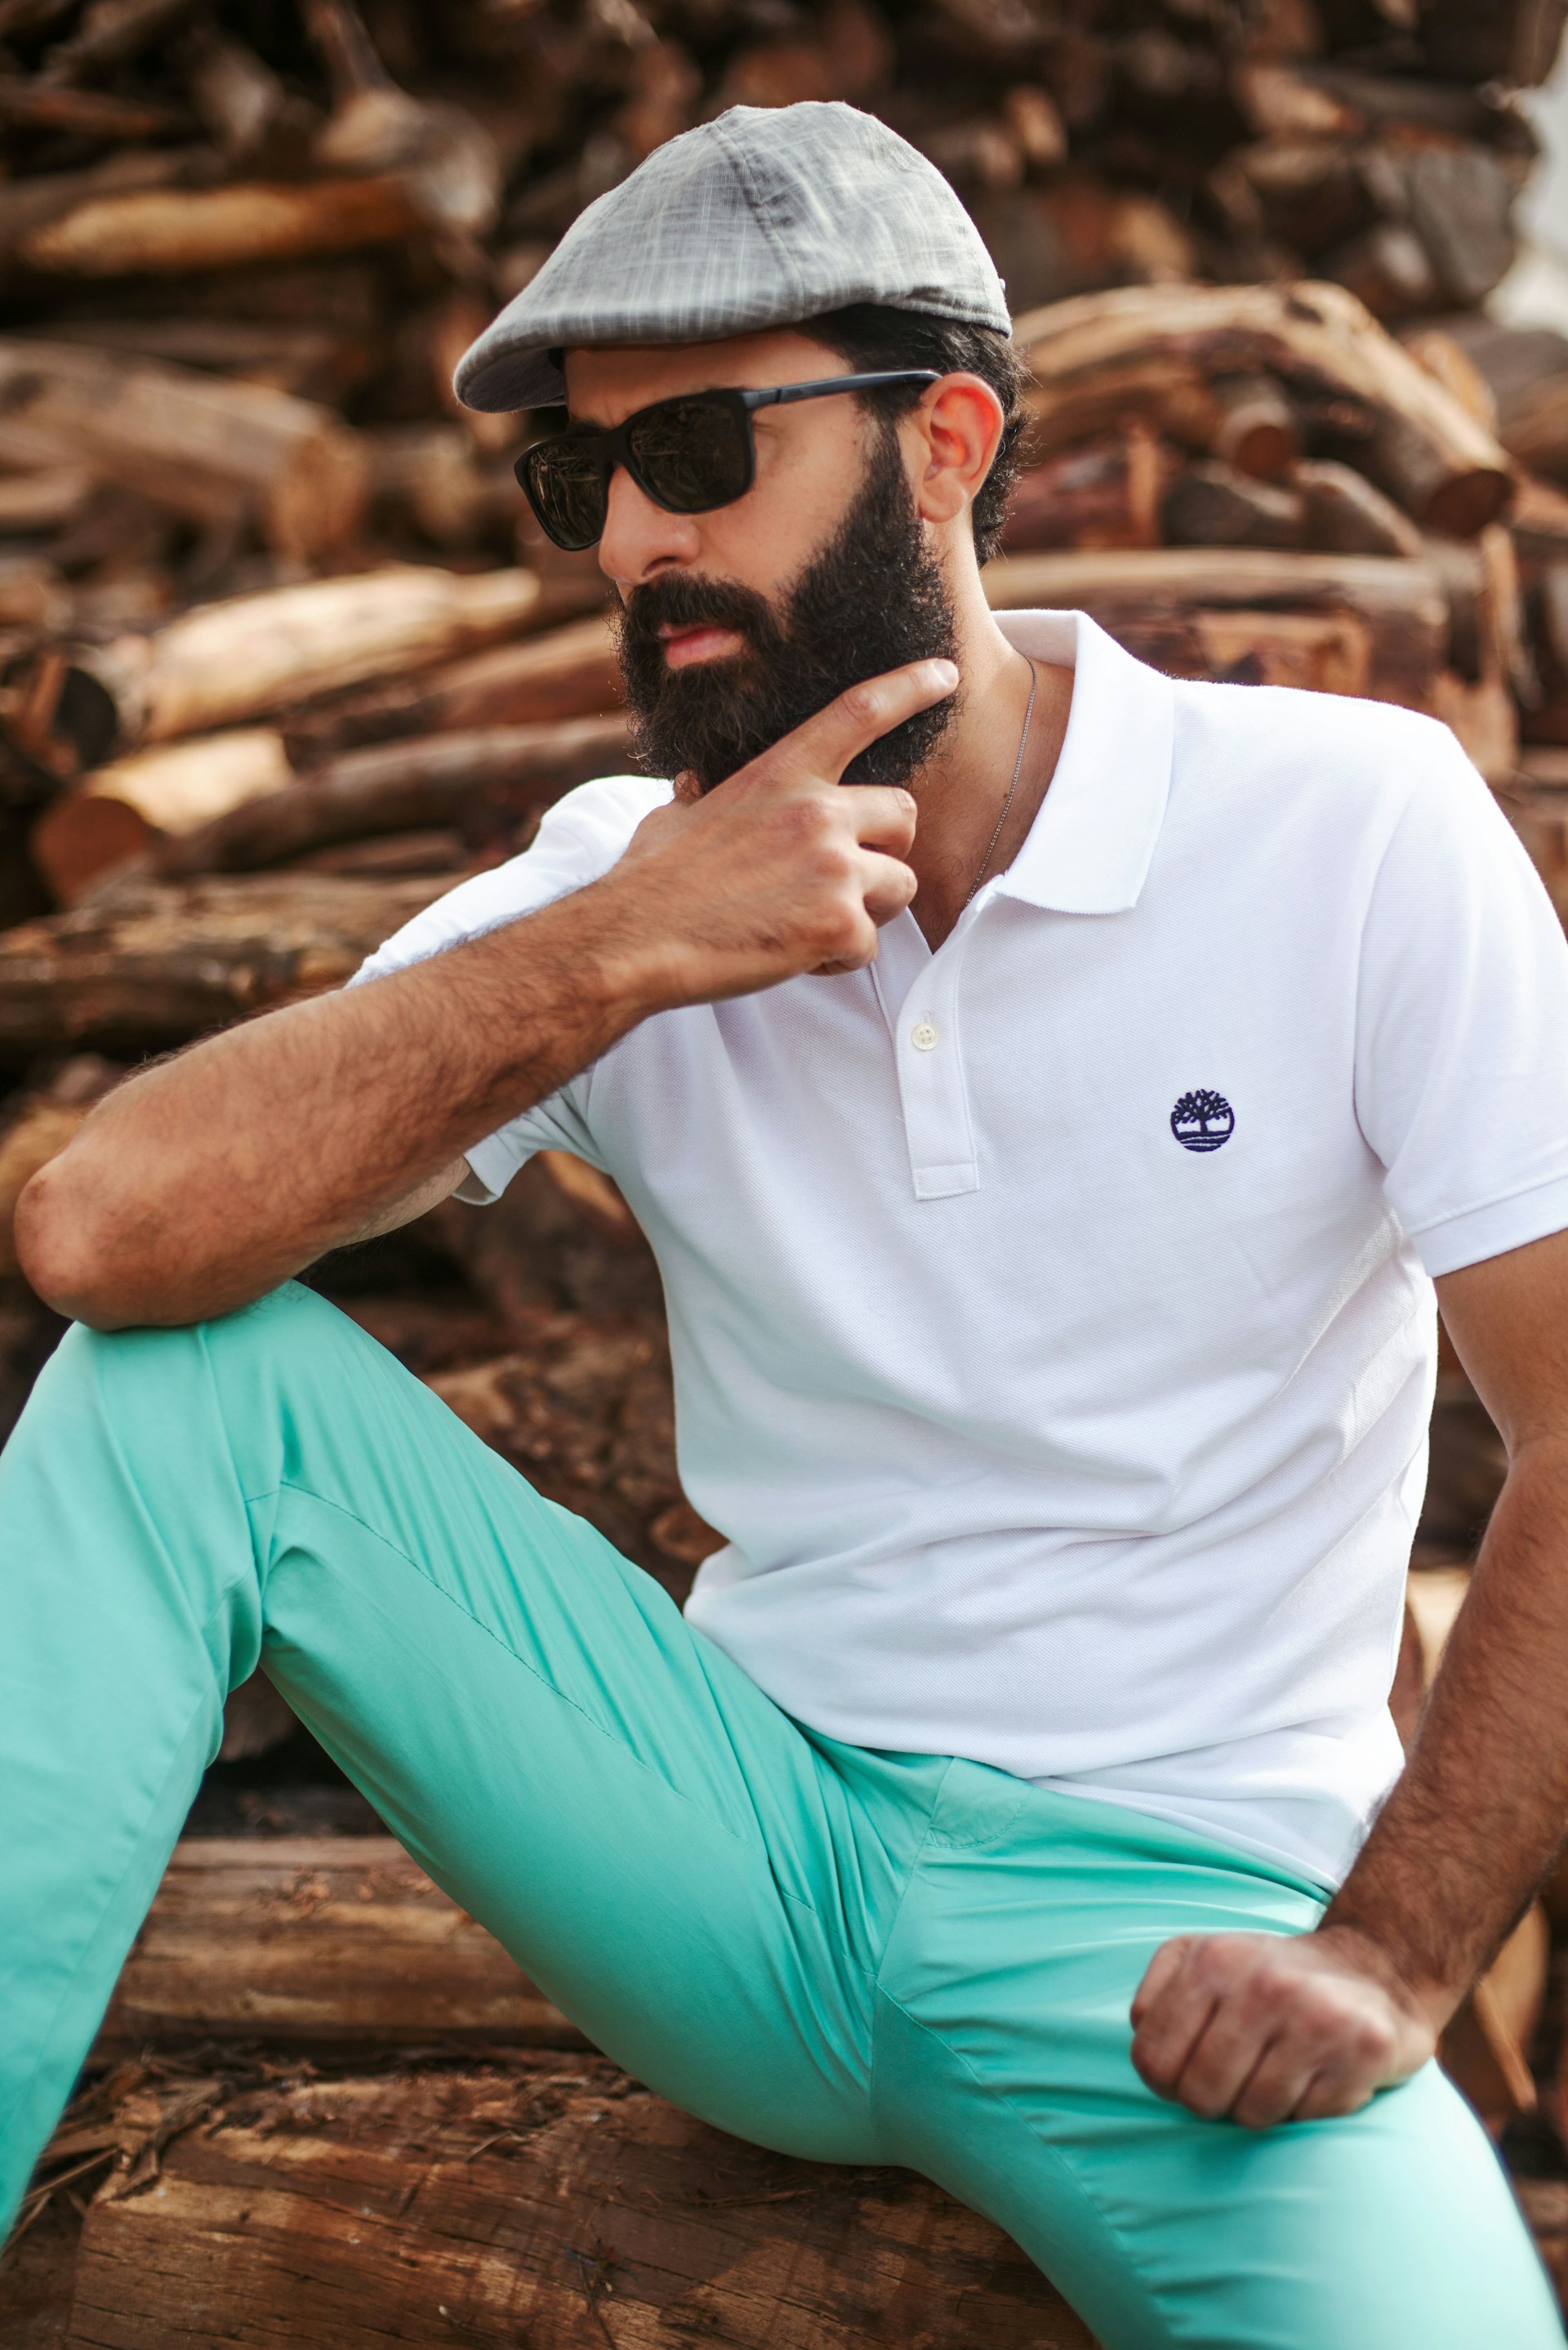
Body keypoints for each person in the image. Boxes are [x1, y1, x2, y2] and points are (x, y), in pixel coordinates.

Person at [3, 98, 1568, 2348]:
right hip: (734, 1852)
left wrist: (1395, 1958)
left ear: (947, 442)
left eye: (702, 448)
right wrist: (618, 948)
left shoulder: (1349, 824)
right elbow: (97, 1226)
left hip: (1163, 1920)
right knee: (187, 1392)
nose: (634, 534)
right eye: (581, 476)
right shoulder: (627, 882)